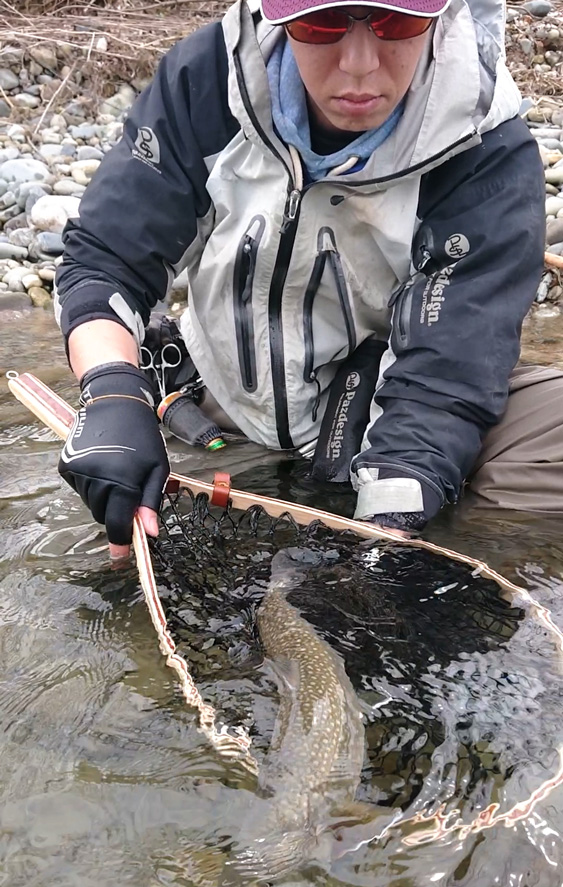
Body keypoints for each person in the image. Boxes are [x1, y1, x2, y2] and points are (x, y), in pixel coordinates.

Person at [55, 0, 560, 560]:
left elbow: (447, 374)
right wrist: (110, 393)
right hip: (226, 403)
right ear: (277, 16)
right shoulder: (208, 79)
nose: (361, 64)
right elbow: (106, 257)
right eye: (322, 22)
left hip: (391, 407)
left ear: (441, 16)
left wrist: (383, 540)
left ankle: (450, 527)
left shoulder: (486, 142)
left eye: (398, 21)